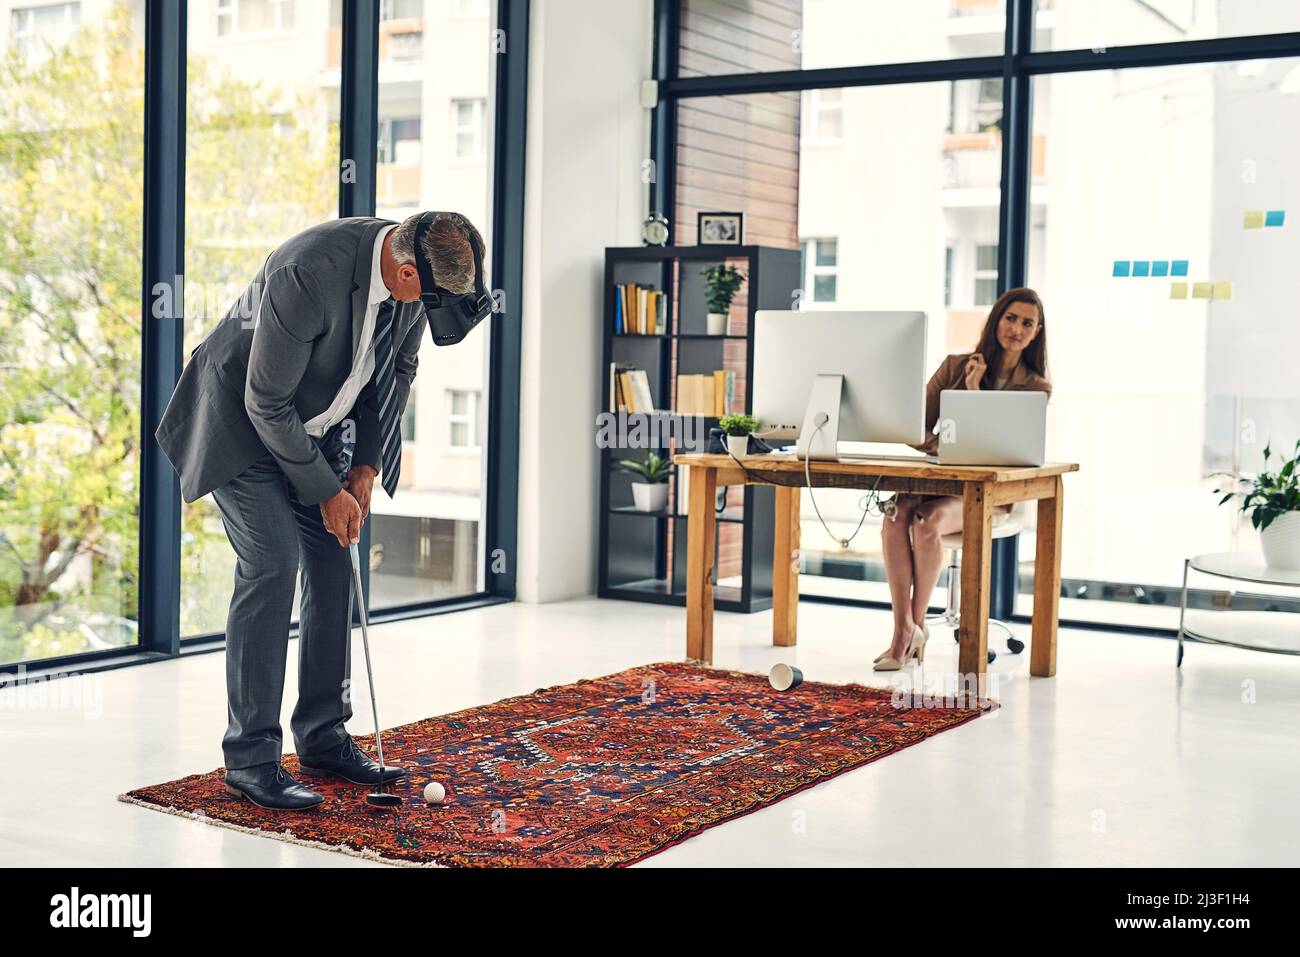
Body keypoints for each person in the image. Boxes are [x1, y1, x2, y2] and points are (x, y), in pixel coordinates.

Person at [155, 212, 486, 809]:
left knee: (337, 563)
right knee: (274, 564)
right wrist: (325, 492)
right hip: (244, 426)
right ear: (406, 271)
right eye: (426, 298)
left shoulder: (414, 277)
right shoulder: (308, 272)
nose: (424, 311)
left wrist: (364, 466)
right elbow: (266, 401)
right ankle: (251, 759)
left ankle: (324, 737)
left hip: (318, 427)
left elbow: (395, 374)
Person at [873, 287, 1051, 671]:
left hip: (989, 495)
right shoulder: (954, 365)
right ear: (996, 320)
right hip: (938, 483)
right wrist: (943, 446)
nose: (1016, 329)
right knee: (893, 514)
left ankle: (910, 631)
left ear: (1036, 333)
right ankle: (905, 626)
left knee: (927, 521)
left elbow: (1007, 448)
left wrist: (973, 394)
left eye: (1027, 323)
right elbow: (911, 424)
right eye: (1010, 318)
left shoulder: (1036, 387)